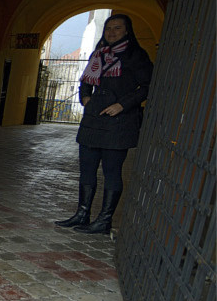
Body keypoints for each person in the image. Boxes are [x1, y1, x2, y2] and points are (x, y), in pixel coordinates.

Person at [55, 14, 153, 234]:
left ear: (127, 31)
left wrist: (123, 105)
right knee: (87, 170)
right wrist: (86, 98)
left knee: (111, 171)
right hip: (93, 120)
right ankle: (82, 213)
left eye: (117, 28)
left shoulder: (136, 56)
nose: (112, 32)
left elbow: (147, 86)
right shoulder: (98, 54)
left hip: (119, 122)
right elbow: (85, 81)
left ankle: (103, 220)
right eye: (108, 28)